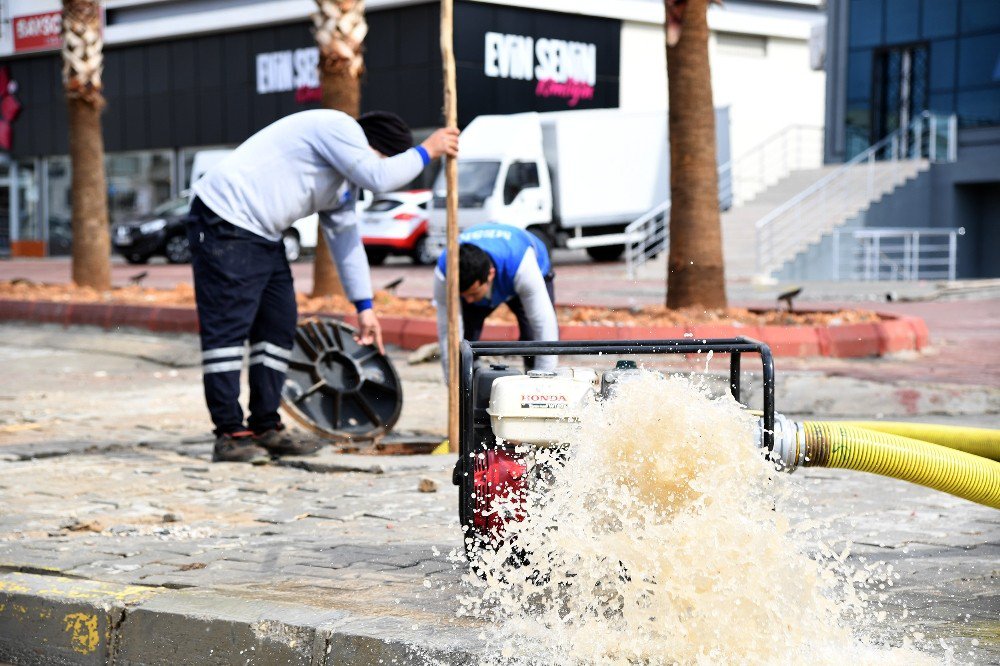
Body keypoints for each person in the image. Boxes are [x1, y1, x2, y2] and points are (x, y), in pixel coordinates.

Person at [188, 109, 459, 463]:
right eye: (382, 159)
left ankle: (264, 425)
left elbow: (346, 244)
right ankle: (229, 433)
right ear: (369, 147)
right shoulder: (338, 127)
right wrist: (429, 150)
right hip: (224, 218)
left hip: (263, 235)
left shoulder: (343, 185)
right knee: (228, 329)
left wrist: (365, 308)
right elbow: (379, 176)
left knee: (278, 325)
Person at [433, 222, 558, 377]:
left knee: (531, 337)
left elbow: (544, 327)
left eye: (473, 294)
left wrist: (544, 382)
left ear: (490, 275)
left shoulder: (523, 266)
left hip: (523, 265)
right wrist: (454, 383)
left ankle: (532, 377)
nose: (469, 300)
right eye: (464, 295)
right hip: (494, 273)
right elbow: (448, 332)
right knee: (466, 341)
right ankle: (472, 380)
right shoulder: (444, 272)